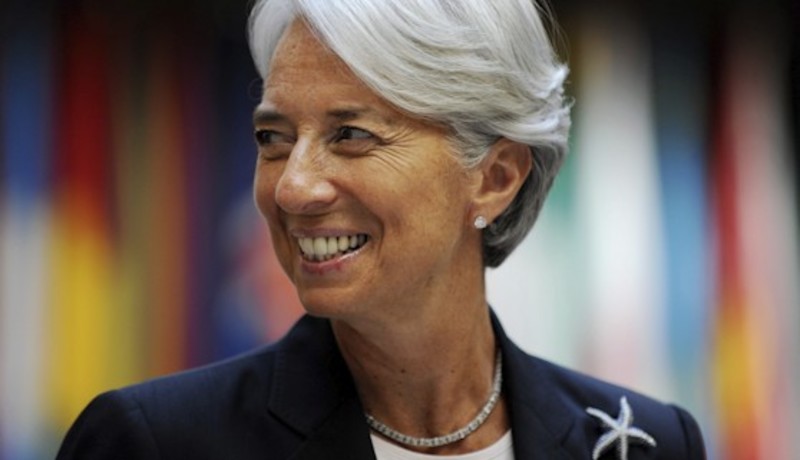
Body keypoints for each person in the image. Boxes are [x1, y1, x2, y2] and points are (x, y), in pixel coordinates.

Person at [57, 0, 706, 458]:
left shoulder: (645, 443)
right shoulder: (154, 442)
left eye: (351, 134)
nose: (292, 188)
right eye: (273, 138)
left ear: (495, 176)